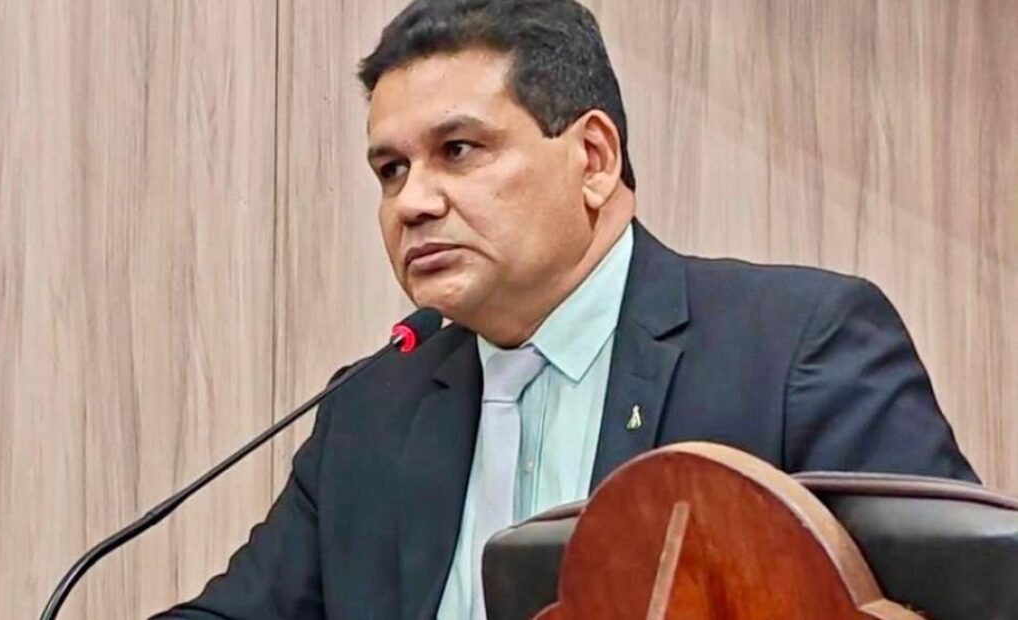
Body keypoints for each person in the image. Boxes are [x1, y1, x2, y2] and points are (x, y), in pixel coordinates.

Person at [154, 1, 977, 618]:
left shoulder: (796, 348)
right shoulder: (369, 407)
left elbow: (957, 602)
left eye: (457, 151)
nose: (412, 202)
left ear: (592, 157)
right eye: (390, 170)